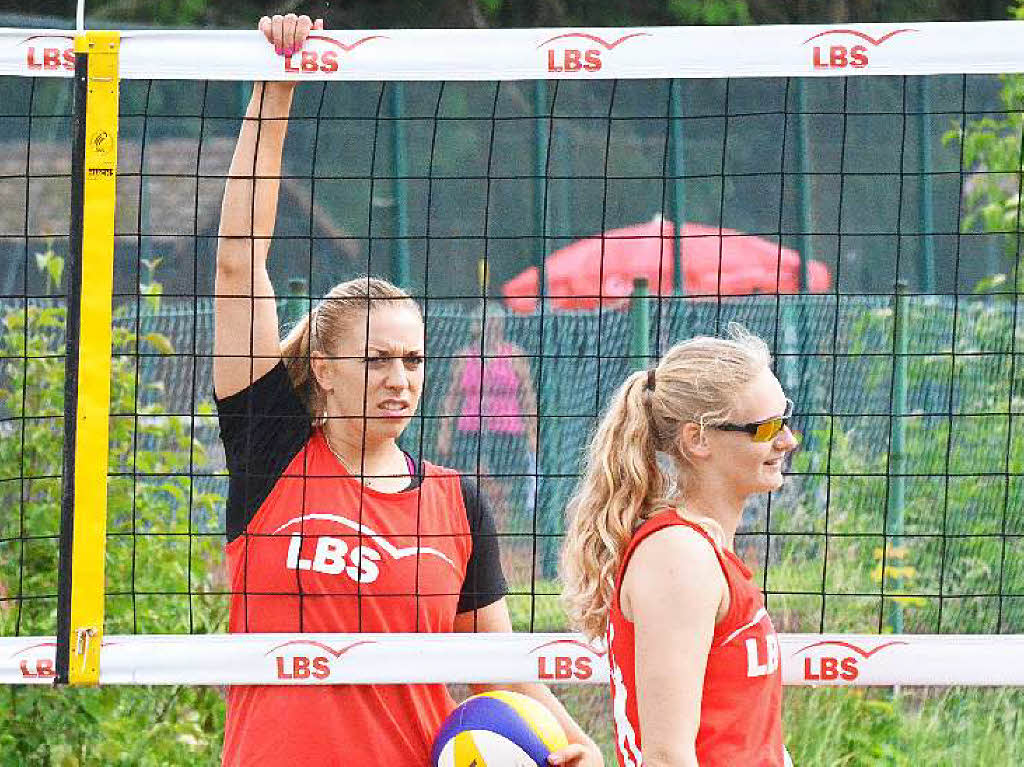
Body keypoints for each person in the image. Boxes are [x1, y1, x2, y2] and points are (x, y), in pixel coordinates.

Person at [213, 14, 602, 767]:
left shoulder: (457, 503)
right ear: (324, 368)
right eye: (377, 360)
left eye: (415, 361)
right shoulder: (271, 449)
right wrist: (277, 91)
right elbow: (238, 265)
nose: (400, 379)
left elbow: (500, 668)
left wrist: (577, 748)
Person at [561, 327, 798, 767]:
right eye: (766, 427)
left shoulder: (702, 548)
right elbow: (668, 756)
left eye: (785, 419)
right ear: (698, 439)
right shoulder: (678, 556)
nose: (787, 440)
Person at [437, 302, 553, 575]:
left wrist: (532, 434)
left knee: (503, 493)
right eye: (484, 322)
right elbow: (452, 397)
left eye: (494, 322)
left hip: (508, 432)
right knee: (474, 486)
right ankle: (471, 542)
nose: (489, 327)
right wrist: (445, 431)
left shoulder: (515, 356)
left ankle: (495, 544)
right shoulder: (464, 356)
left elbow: (527, 396)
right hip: (471, 431)